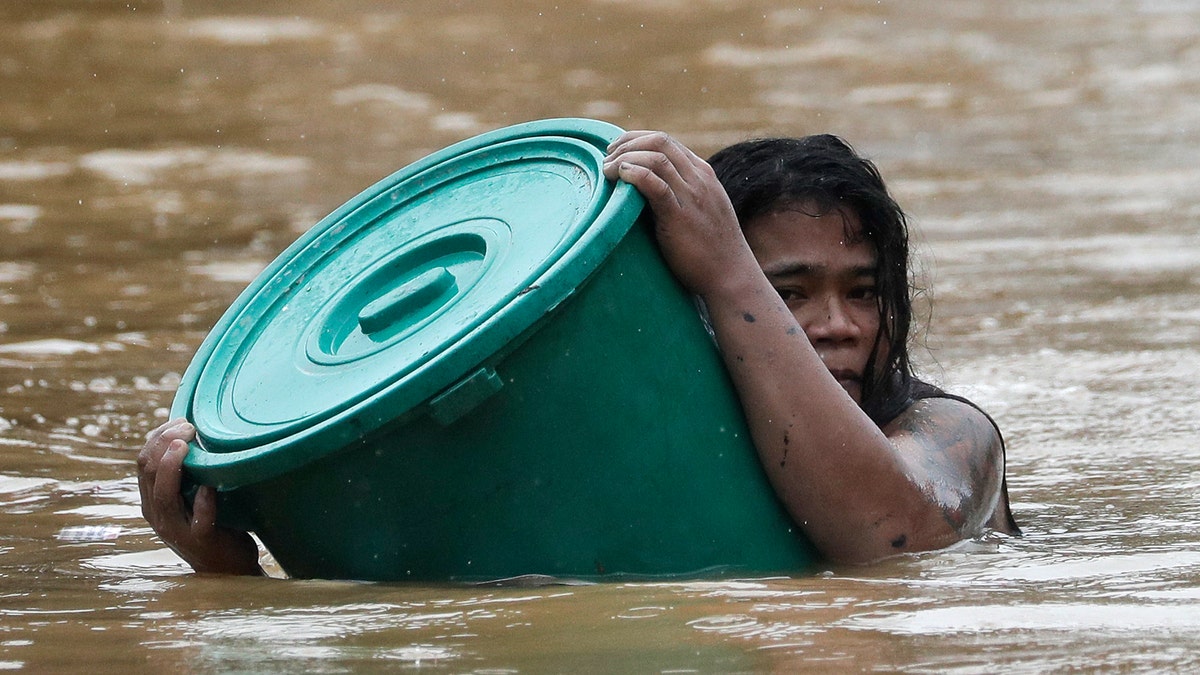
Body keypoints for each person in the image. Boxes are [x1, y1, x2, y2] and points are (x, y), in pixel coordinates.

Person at [137, 129, 1017, 574]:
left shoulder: (950, 432)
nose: (839, 324)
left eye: (863, 291)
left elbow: (899, 540)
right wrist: (234, 575)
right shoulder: (656, 450)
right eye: (788, 292)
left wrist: (730, 270)